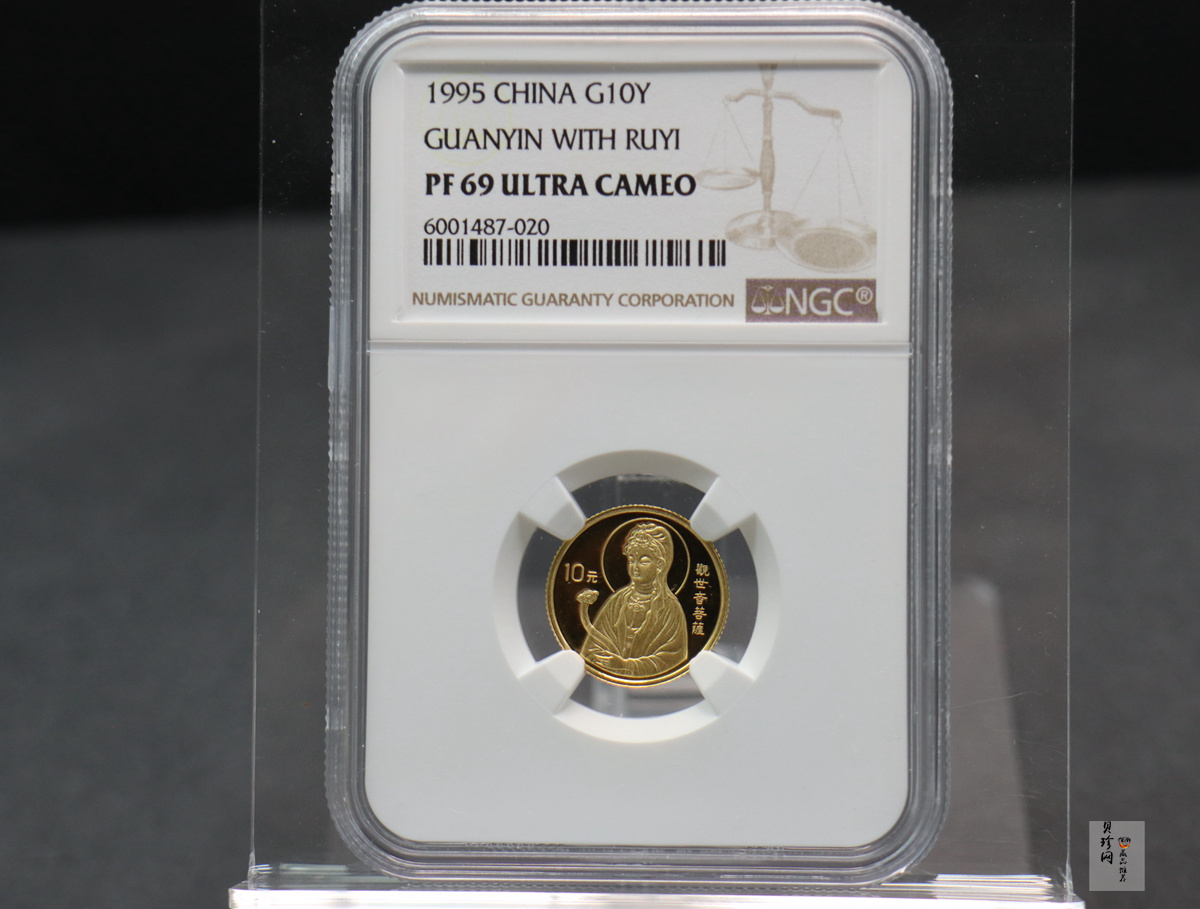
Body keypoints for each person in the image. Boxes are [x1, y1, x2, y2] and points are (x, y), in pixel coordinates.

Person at [580, 521, 688, 680]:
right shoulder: (617, 601)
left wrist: (626, 665)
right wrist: (605, 661)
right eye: (631, 560)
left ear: (659, 564)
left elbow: (671, 659)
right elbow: (591, 649)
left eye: (644, 561)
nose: (635, 567)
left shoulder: (670, 608)